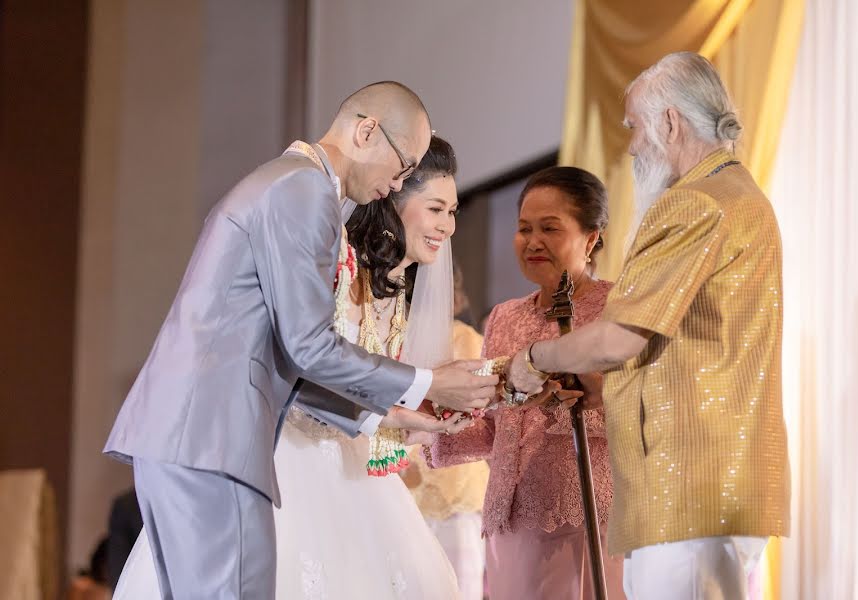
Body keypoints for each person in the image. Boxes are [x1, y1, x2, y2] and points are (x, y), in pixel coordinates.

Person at [103, 81, 498, 599]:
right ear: (366, 131)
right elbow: (308, 346)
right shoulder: (305, 189)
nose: (396, 182)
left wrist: (385, 413)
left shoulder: (283, 181)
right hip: (216, 432)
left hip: (192, 431)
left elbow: (284, 351)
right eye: (402, 166)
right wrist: (429, 382)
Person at [506, 52, 790, 599]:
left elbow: (620, 338)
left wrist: (533, 358)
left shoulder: (694, 203)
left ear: (669, 122)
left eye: (635, 127)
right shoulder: (742, 197)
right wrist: (602, 390)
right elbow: (698, 345)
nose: (632, 146)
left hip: (685, 484)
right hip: (718, 480)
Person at [428, 166, 625, 600]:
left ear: (591, 238)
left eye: (550, 228)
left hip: (582, 514)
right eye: (523, 229)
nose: (533, 241)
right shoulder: (504, 317)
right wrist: (437, 420)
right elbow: (496, 429)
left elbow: (643, 410)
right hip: (508, 522)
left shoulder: (619, 309)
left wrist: (581, 398)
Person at [402, 263, 490, 600]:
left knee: (457, 585)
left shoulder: (466, 339)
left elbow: (479, 408)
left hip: (455, 488)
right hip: (404, 479)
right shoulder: (396, 336)